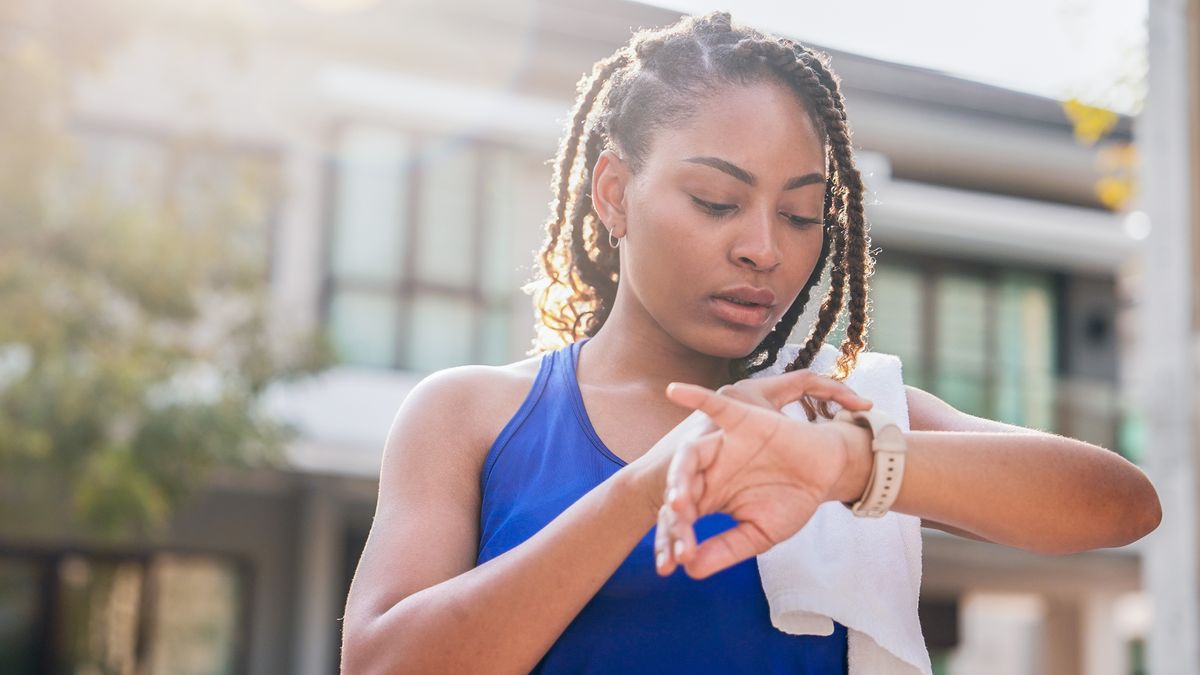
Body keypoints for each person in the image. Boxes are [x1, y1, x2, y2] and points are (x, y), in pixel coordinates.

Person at [339, 11, 1162, 674]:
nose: (764, 248)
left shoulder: (837, 416)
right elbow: (382, 665)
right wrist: (641, 489)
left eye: (802, 215)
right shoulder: (471, 415)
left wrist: (848, 462)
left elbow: (1122, 503)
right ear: (614, 193)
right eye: (716, 200)